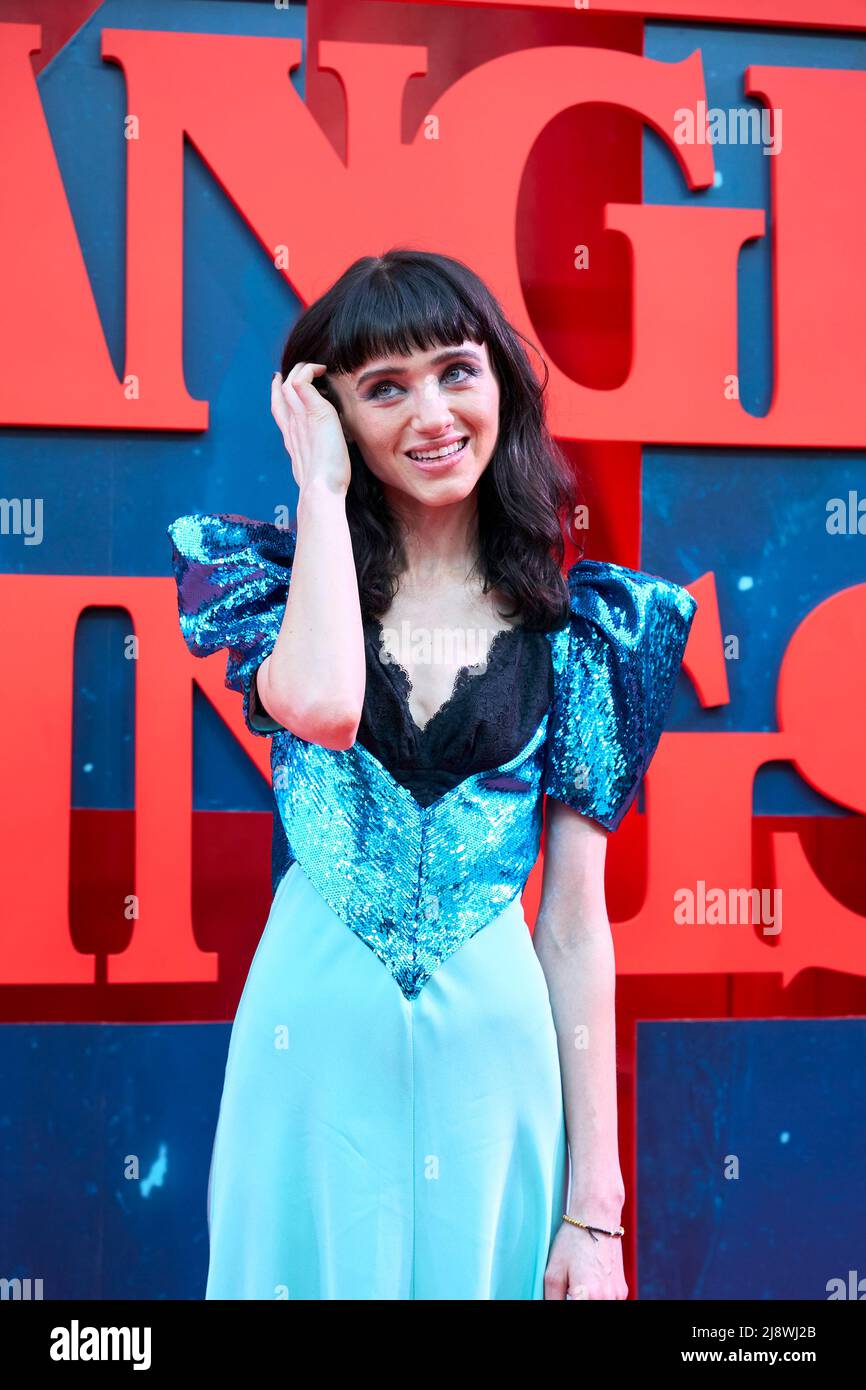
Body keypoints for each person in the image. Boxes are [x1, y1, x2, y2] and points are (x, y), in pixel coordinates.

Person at [167, 248, 696, 1300]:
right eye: (383, 389)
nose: (431, 413)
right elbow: (320, 703)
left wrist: (596, 1212)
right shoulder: (274, 585)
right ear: (334, 415)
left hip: (494, 1065)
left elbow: (574, 922)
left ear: (499, 378)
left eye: (456, 370)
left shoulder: (584, 631)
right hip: (306, 1051)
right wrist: (318, 486)